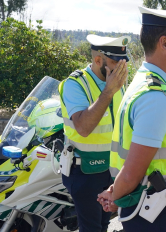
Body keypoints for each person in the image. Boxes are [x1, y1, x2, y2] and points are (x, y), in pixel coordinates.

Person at [97, 6, 166, 232]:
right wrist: (116, 195)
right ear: (164, 43)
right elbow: (133, 172)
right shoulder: (155, 96)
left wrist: (115, 192)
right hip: (157, 213)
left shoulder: (144, 82)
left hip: (149, 205)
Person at [58, 34, 129, 232]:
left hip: (111, 170)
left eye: (123, 62)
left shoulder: (116, 83)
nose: (121, 68)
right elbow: (83, 127)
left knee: (103, 225)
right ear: (98, 60)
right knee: (91, 228)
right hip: (85, 172)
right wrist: (108, 91)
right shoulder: (75, 84)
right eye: (116, 62)